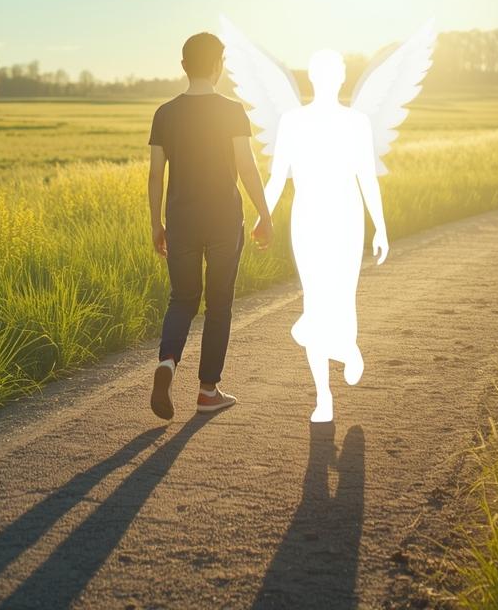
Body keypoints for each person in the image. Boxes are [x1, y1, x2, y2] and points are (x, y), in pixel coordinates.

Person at [147, 31, 273, 420]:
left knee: (183, 298)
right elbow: (247, 167)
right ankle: (207, 391)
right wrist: (264, 215)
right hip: (223, 220)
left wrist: (156, 223)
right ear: (219, 67)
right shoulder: (232, 111)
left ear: (184, 66)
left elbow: (155, 175)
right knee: (219, 305)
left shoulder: (165, 113)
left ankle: (167, 362)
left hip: (181, 221)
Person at [263, 49, 389, 423]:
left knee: (342, 296)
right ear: (319, 79)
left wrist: (380, 224)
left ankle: (348, 347)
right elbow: (276, 177)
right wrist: (262, 216)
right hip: (308, 219)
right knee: (315, 302)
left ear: (337, 79)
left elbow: (367, 176)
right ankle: (323, 397)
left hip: (347, 218)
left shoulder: (356, 122)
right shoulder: (292, 121)